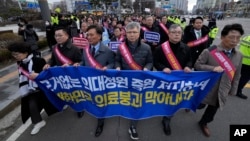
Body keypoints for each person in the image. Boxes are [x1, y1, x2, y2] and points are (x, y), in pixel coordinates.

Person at [194, 23, 244, 137]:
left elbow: (237, 74)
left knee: (213, 110)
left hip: (222, 89)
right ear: (222, 37)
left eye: (238, 38)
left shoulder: (239, 55)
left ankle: (204, 123)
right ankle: (190, 106)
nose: (235, 40)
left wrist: (233, 89)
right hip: (206, 88)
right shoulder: (209, 51)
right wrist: (212, 68)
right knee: (199, 105)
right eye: (231, 37)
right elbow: (197, 65)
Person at [7, 41, 58, 135]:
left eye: (17, 54)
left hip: (42, 87)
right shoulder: (20, 63)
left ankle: (61, 104)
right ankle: (38, 122)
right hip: (29, 88)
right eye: (13, 54)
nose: (15, 56)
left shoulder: (38, 60)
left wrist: (38, 75)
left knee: (53, 101)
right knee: (31, 104)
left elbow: (47, 75)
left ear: (26, 52)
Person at [74, 24, 115, 137]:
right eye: (88, 35)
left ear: (99, 36)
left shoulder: (107, 50)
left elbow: (112, 63)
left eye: (92, 35)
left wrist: (107, 68)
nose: (89, 37)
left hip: (101, 83)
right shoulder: (85, 49)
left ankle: (100, 122)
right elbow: (83, 61)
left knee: (100, 102)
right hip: (88, 82)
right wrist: (79, 64)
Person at [115, 22, 153, 140]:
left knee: (136, 103)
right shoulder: (121, 47)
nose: (132, 35)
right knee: (126, 100)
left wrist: (147, 68)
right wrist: (117, 67)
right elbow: (117, 60)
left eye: (134, 32)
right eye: (129, 32)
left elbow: (150, 61)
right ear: (125, 33)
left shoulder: (147, 47)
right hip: (125, 80)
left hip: (139, 81)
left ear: (139, 33)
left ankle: (133, 126)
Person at [154, 24, 192, 136]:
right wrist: (162, 68)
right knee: (165, 99)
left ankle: (167, 117)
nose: (176, 34)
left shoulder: (186, 48)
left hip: (180, 81)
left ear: (181, 34)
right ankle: (165, 116)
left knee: (174, 100)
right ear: (169, 34)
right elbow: (156, 62)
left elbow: (190, 60)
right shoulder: (160, 48)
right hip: (165, 80)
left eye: (178, 32)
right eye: (174, 32)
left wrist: (188, 67)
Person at [43, 27, 83, 118]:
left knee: (75, 94)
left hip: (72, 76)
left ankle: (79, 109)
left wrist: (74, 64)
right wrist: (48, 64)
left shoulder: (75, 48)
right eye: (56, 36)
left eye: (60, 35)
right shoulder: (55, 48)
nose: (58, 37)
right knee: (64, 91)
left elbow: (80, 62)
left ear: (67, 35)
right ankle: (65, 103)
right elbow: (52, 60)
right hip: (60, 76)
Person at [236, 35, 250, 99]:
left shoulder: (247, 37)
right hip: (248, 62)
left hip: (240, 59)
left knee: (237, 75)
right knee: (244, 78)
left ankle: (231, 88)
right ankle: (238, 91)